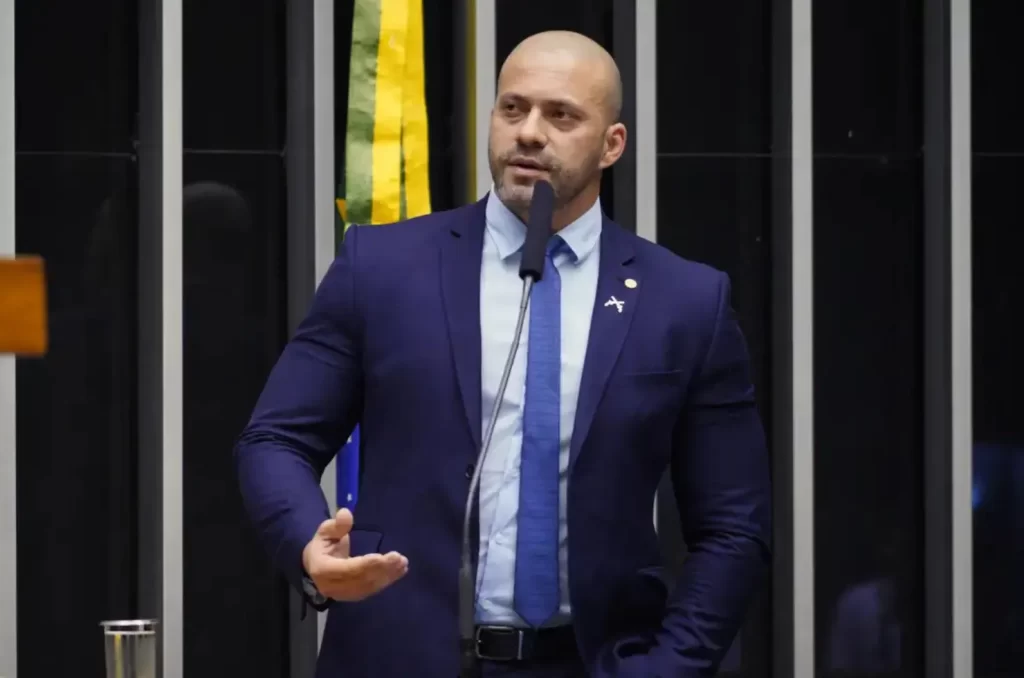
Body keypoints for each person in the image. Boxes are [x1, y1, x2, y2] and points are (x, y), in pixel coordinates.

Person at [236, 29, 771, 678]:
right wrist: (307, 548)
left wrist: (665, 668)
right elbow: (276, 438)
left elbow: (734, 528)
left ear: (612, 145)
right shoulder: (381, 267)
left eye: (561, 115)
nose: (529, 132)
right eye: (512, 108)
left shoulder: (685, 301)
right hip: (394, 658)